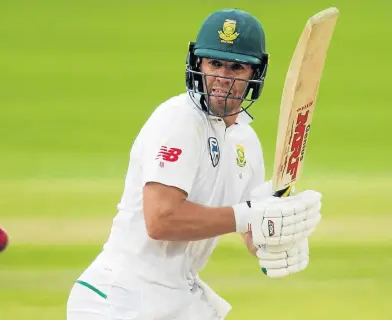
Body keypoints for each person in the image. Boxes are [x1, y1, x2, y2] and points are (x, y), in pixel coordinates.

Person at [66, 8, 322, 320]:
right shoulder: (180, 119)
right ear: (196, 63)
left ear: (255, 73)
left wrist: (281, 235)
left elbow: (250, 231)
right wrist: (250, 214)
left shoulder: (246, 142)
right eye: (214, 63)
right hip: (120, 299)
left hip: (177, 299)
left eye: (237, 67)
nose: (222, 78)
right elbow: (161, 220)